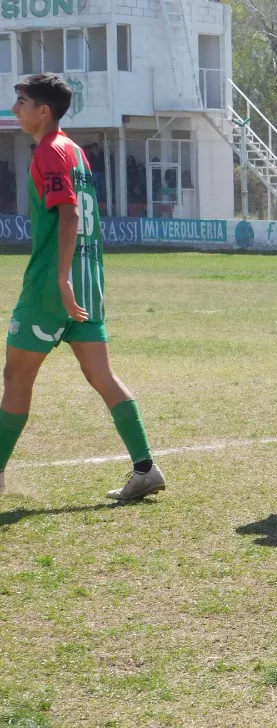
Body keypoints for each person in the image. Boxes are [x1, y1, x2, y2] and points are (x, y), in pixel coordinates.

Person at [0, 74, 163, 500]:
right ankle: (145, 469)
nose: (15, 108)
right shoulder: (74, 151)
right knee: (102, 376)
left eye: (21, 101)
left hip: (53, 289)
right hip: (89, 285)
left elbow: (69, 214)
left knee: (16, 377)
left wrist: (60, 278)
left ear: (44, 111)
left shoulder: (50, 151)